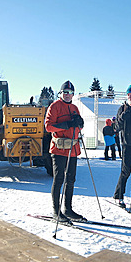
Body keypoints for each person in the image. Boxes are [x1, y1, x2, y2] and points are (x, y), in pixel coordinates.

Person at [45, 80, 85, 222]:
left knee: (71, 179)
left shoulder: (75, 108)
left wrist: (79, 124)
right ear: (60, 93)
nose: (68, 95)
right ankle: (56, 211)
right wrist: (66, 124)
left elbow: (78, 128)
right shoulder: (54, 107)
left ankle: (67, 209)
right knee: (59, 178)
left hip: (73, 149)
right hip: (58, 149)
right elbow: (48, 127)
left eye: (71, 93)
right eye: (65, 92)